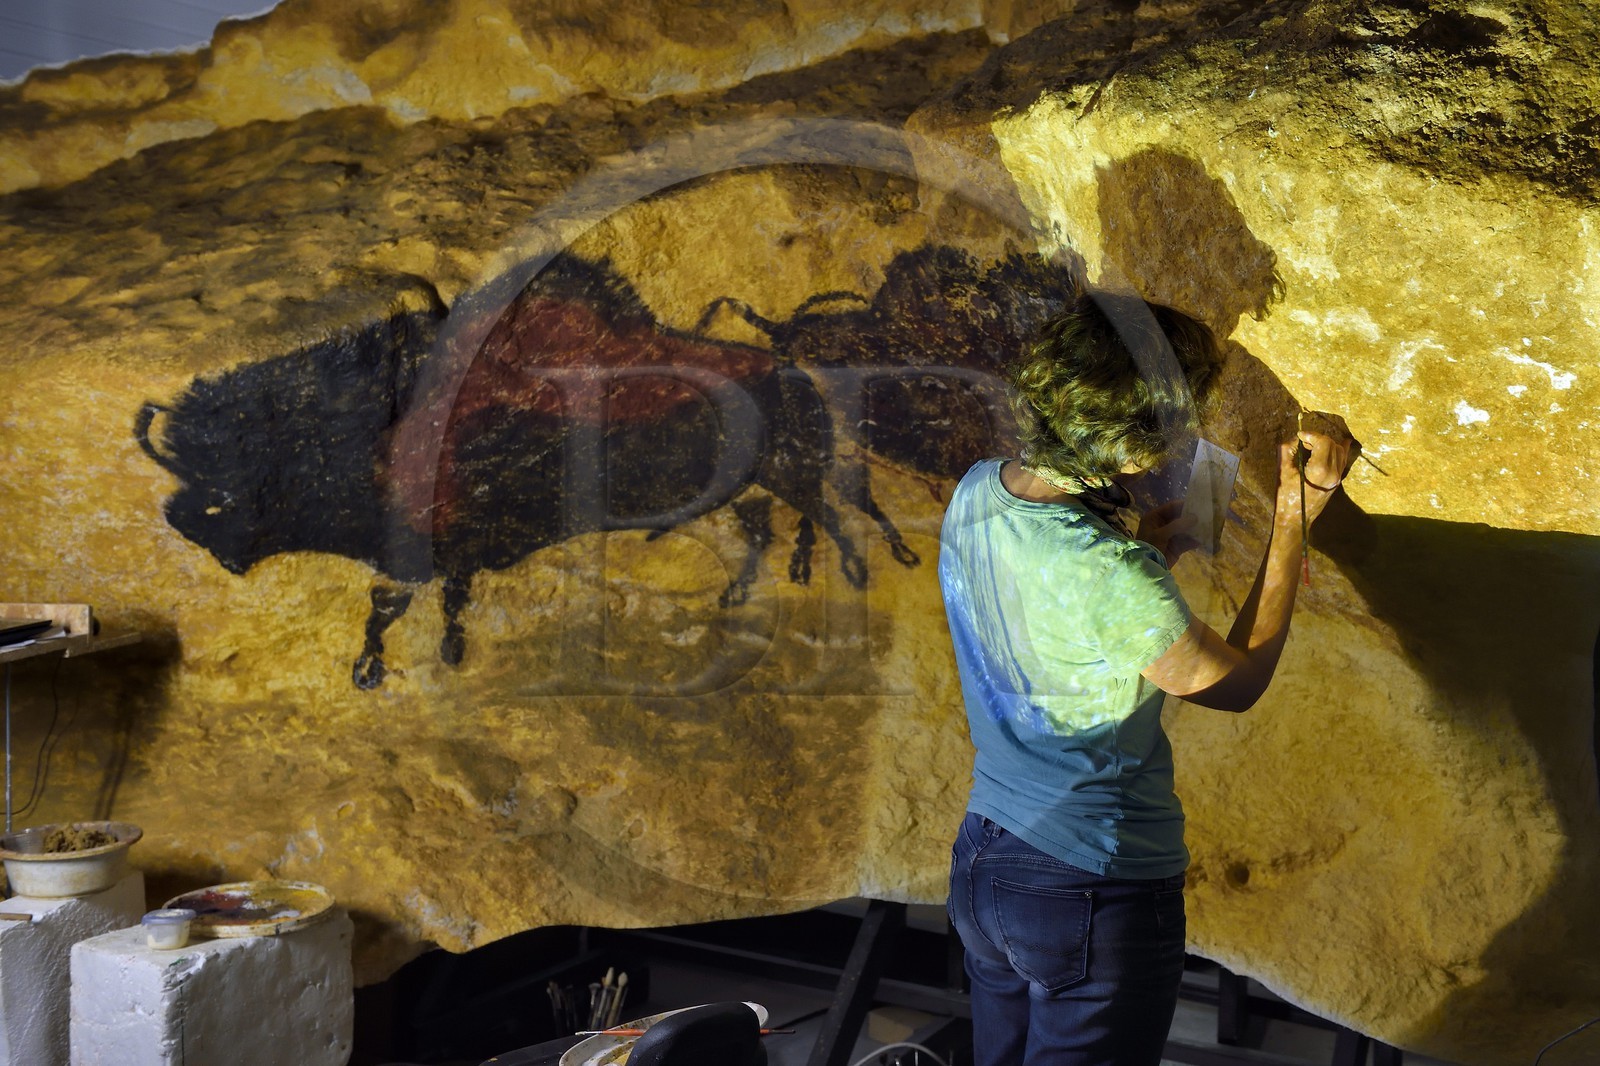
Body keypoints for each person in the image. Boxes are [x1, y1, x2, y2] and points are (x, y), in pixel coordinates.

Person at [939, 287, 1351, 1066]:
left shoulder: (978, 491)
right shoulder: (1111, 571)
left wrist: (1154, 556)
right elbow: (1236, 683)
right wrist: (1297, 518)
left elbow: (1062, 616)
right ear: (1131, 447)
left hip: (987, 862)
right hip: (1089, 880)